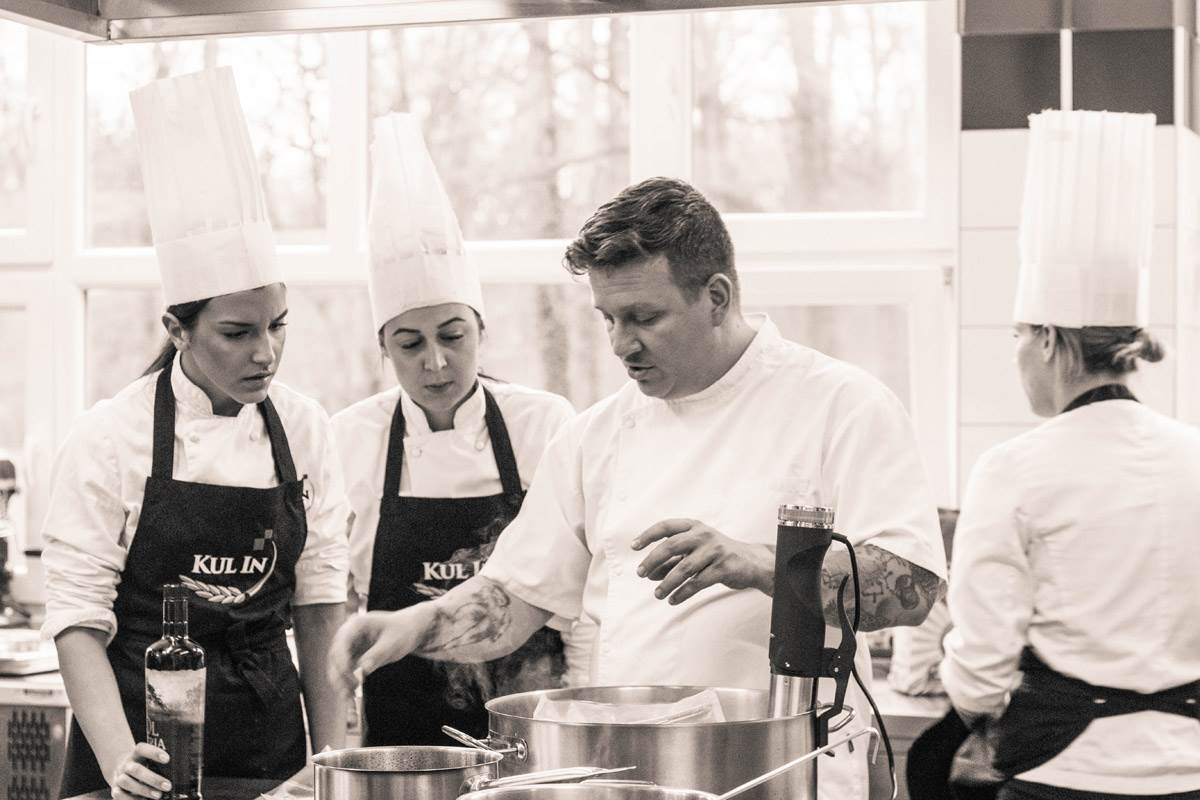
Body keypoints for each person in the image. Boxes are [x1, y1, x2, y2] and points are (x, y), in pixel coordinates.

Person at [328, 177, 948, 800]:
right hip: (634, 774)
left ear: (717, 297)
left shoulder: (841, 405)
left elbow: (914, 590)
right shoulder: (596, 436)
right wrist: (417, 624)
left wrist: (762, 564)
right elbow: (514, 598)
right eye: (608, 319)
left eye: (645, 317)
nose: (622, 344)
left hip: (791, 771)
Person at [41, 67, 349, 800]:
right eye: (238, 333)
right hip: (136, 748)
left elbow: (319, 605)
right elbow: (77, 620)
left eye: (277, 326)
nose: (265, 354)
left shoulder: (305, 428)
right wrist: (120, 760)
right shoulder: (110, 437)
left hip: (272, 751)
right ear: (177, 329)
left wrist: (336, 759)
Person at [940, 110, 1200, 800]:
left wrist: (973, 703)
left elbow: (980, 669)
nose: (1016, 354)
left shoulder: (1014, 469)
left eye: (1017, 336)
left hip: (1062, 779)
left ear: (1050, 340)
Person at [331, 113, 576, 745]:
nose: (436, 363)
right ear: (383, 346)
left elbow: (573, 589)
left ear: (481, 330)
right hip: (398, 737)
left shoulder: (543, 423)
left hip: (530, 728)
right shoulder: (351, 437)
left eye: (453, 335)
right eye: (410, 344)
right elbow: (339, 591)